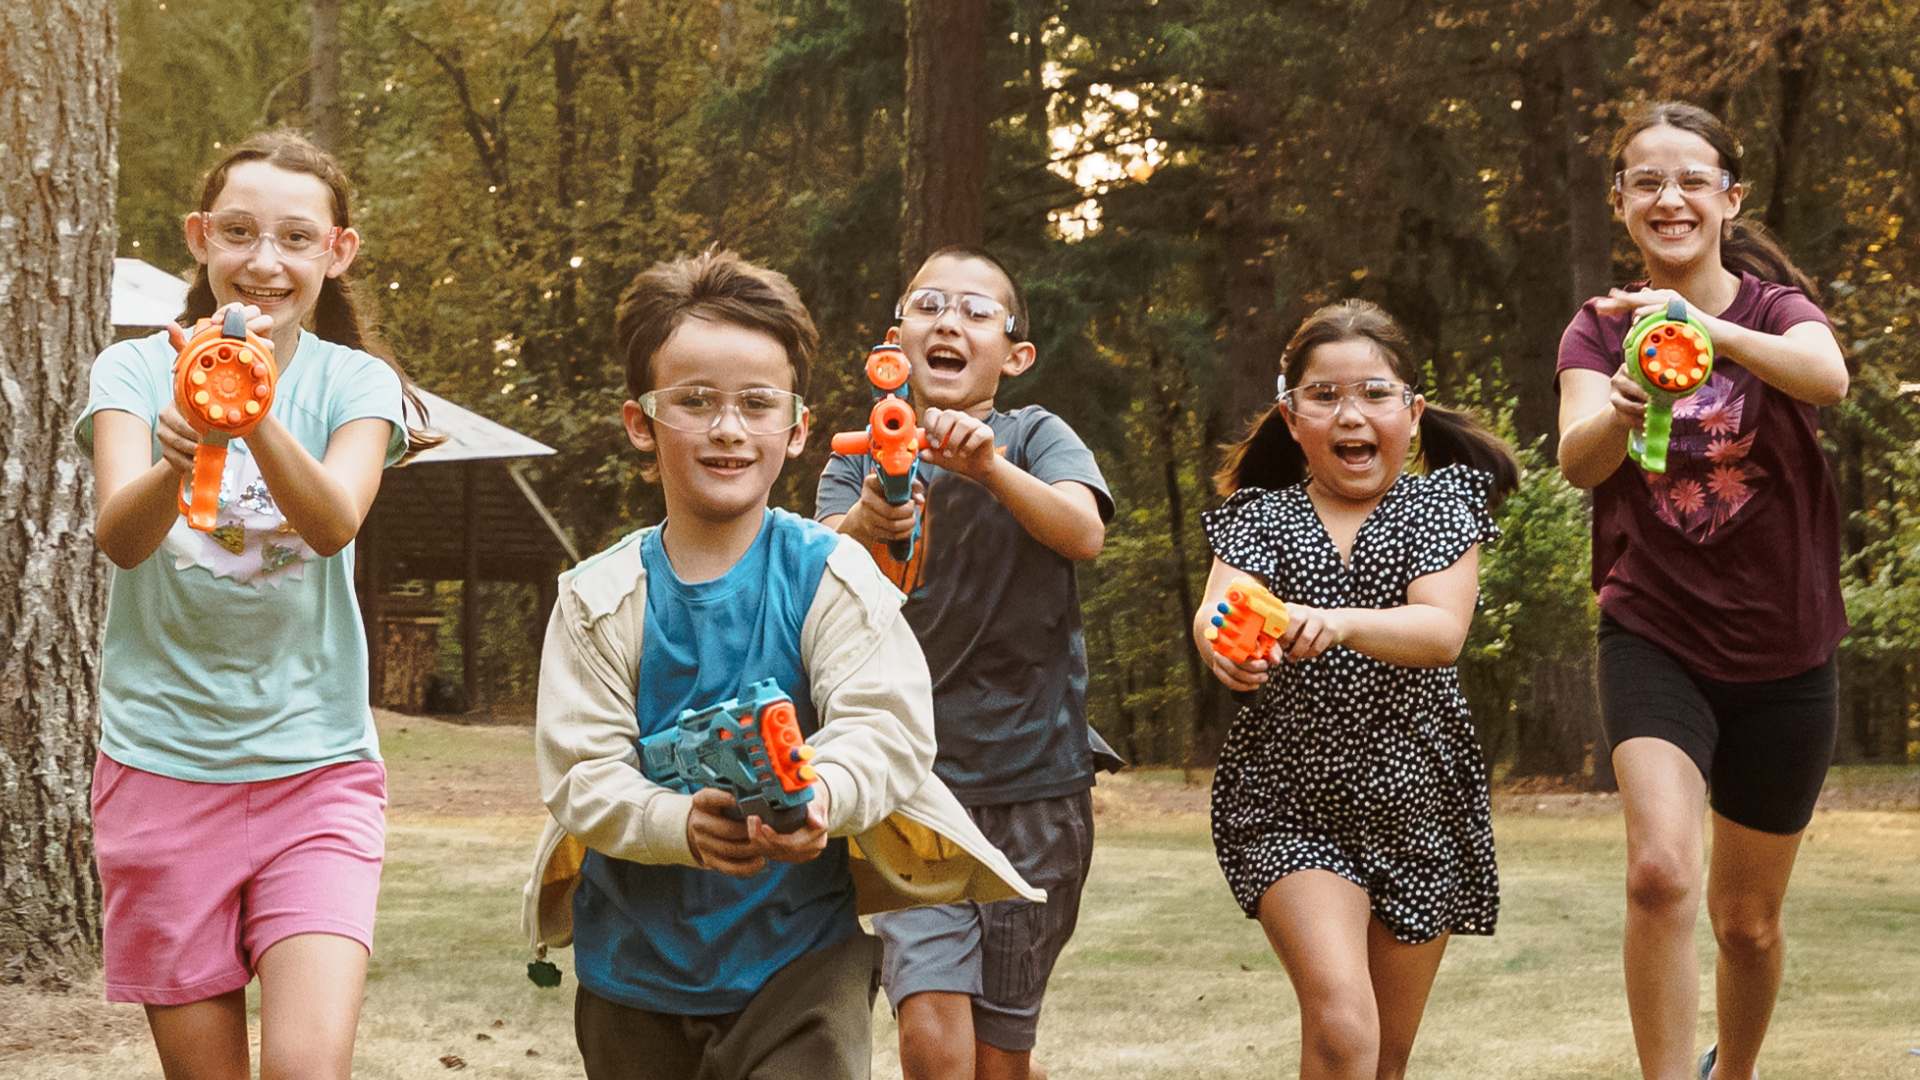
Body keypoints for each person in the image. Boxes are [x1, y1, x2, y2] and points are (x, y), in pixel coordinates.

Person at [522, 248, 1041, 1080]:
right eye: (694, 402)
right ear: (639, 422)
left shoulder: (833, 575)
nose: (728, 428)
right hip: (633, 975)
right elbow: (582, 774)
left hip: (802, 962)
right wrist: (675, 823)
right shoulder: (599, 597)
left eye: (756, 405)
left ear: (796, 428)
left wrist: (823, 796)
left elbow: (887, 728)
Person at [77, 129, 441, 1080]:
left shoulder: (357, 383)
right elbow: (121, 537)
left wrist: (247, 410)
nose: (263, 261)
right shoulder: (129, 372)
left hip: (314, 773)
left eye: (294, 238)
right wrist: (176, 452)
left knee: (306, 1071)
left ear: (337, 251)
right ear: (200, 237)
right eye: (238, 232)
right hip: (158, 770)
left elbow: (332, 524)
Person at [1555, 102, 1849, 1080]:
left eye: (1691, 181)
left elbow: (1826, 377)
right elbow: (1579, 459)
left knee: (1749, 924)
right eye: (1647, 181)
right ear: (1623, 203)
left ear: (1729, 198)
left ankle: (1737, 1072)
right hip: (1656, 631)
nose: (1669, 197)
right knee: (1659, 875)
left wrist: (1705, 330)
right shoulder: (1599, 330)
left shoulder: (1772, 312)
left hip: (1787, 646)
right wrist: (1622, 405)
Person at [1195, 300, 1517, 1080]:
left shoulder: (1441, 503)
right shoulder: (1258, 517)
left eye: (1375, 394)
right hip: (1288, 804)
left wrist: (1334, 622)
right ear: (1291, 414)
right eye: (1325, 395)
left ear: (1412, 412)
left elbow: (1441, 631)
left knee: (1383, 1059)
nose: (1352, 414)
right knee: (1343, 1025)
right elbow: (1218, 611)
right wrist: (1222, 650)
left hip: (1417, 804)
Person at [816, 246, 1116, 1080]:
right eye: (929, 305)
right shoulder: (860, 457)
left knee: (999, 1055)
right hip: (913, 781)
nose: (950, 321)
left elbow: (1083, 533)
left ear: (1014, 356)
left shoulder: (1036, 435)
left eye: (977, 311)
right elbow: (819, 567)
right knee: (930, 1040)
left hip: (1035, 783)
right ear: (896, 340)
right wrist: (872, 520)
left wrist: (988, 466)